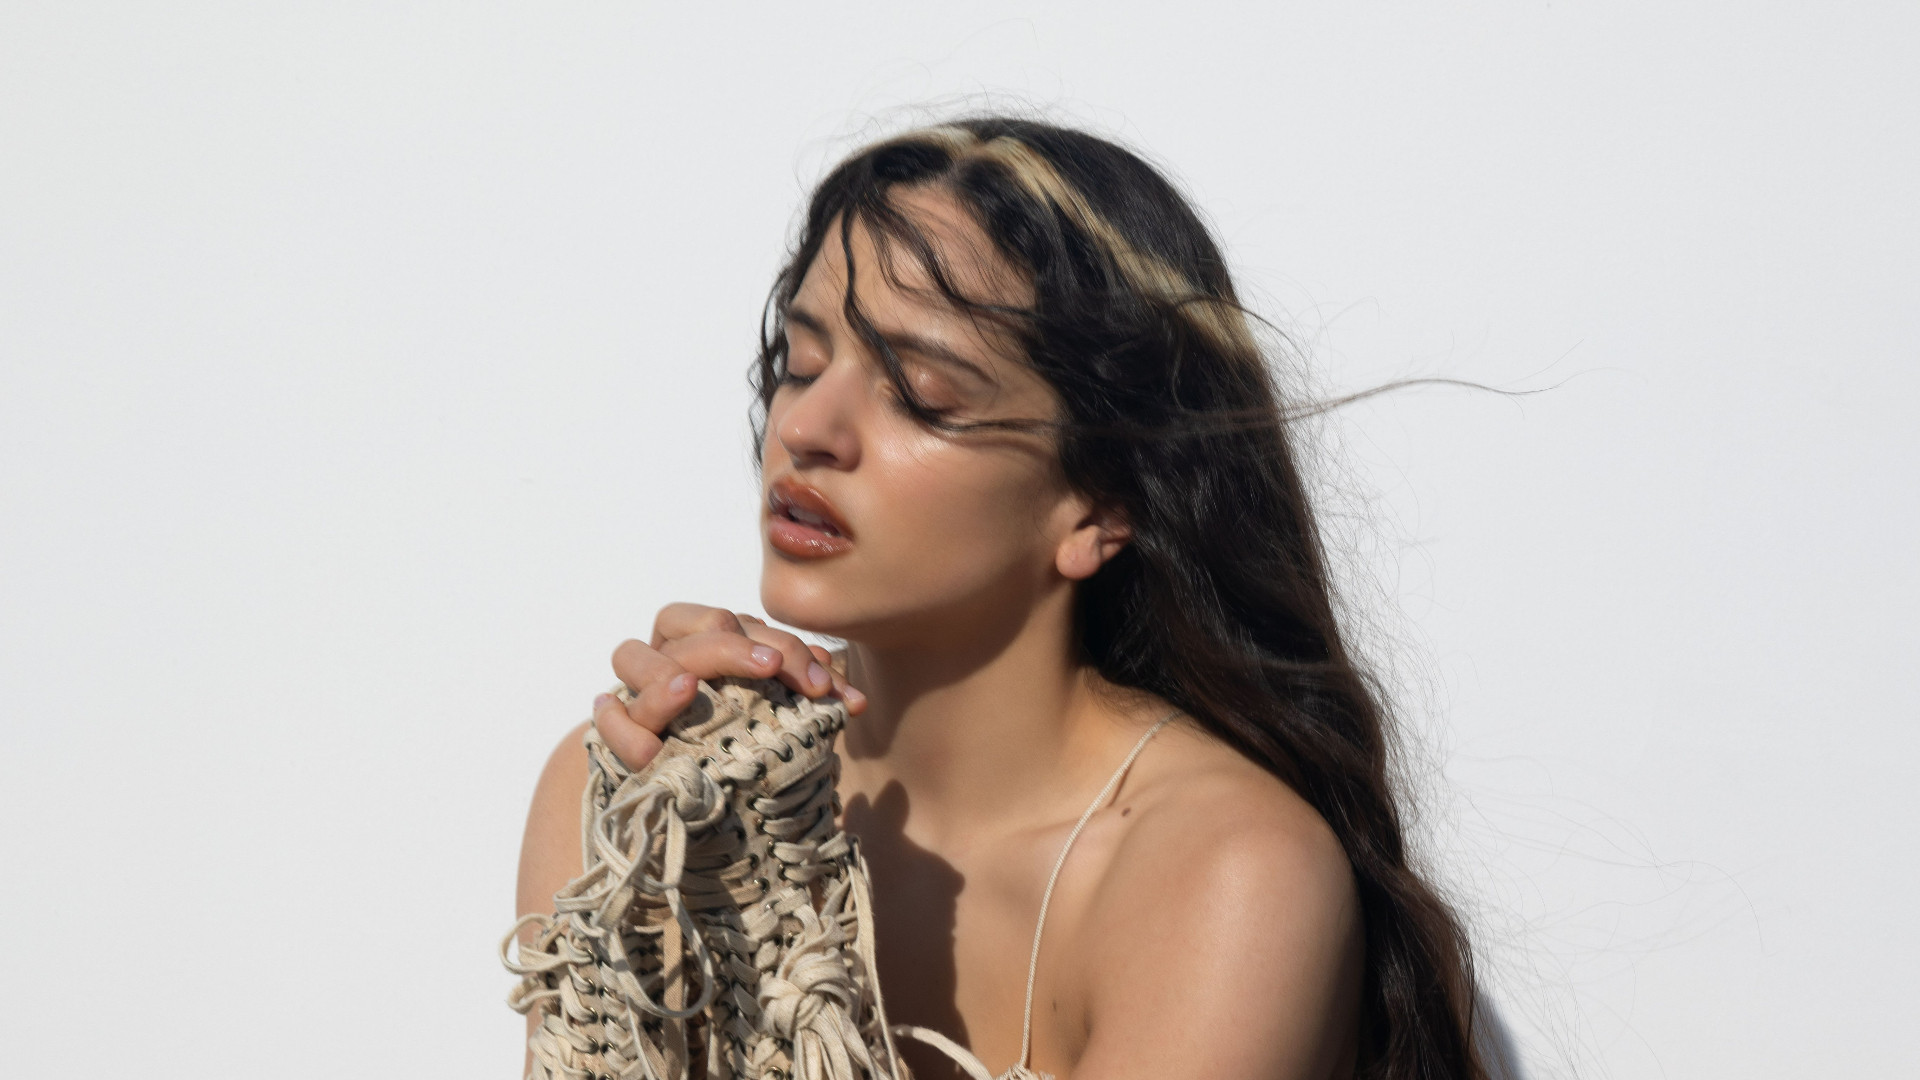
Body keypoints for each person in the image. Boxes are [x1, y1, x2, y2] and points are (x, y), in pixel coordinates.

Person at [515, 116, 1489, 1080]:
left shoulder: (1228, 872)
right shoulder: (638, 795)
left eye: (920, 394)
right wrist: (694, 876)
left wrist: (777, 942)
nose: (806, 428)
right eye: (801, 365)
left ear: (1100, 503)